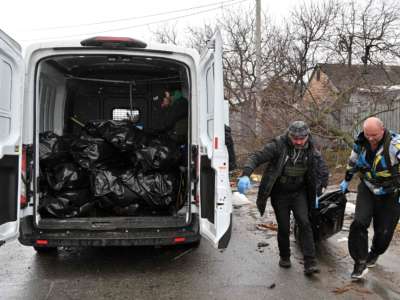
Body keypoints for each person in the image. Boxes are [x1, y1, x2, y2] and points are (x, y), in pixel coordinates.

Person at [237, 121, 329, 275]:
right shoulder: (278, 145)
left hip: (299, 191)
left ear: (307, 136)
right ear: (289, 135)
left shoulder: (312, 148)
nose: (299, 142)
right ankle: (285, 256)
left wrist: (319, 190)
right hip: (280, 192)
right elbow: (256, 156)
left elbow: (322, 169)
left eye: (302, 138)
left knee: (305, 223)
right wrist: (245, 174)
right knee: (284, 226)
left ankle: (310, 262)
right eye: (295, 138)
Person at [339, 117, 400, 280]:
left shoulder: (395, 146)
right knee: (359, 222)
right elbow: (352, 161)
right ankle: (360, 262)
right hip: (368, 187)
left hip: (390, 193)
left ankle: (374, 253)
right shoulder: (361, 142)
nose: (371, 138)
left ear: (383, 130)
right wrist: (346, 180)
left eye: (374, 135)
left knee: (384, 233)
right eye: (368, 135)